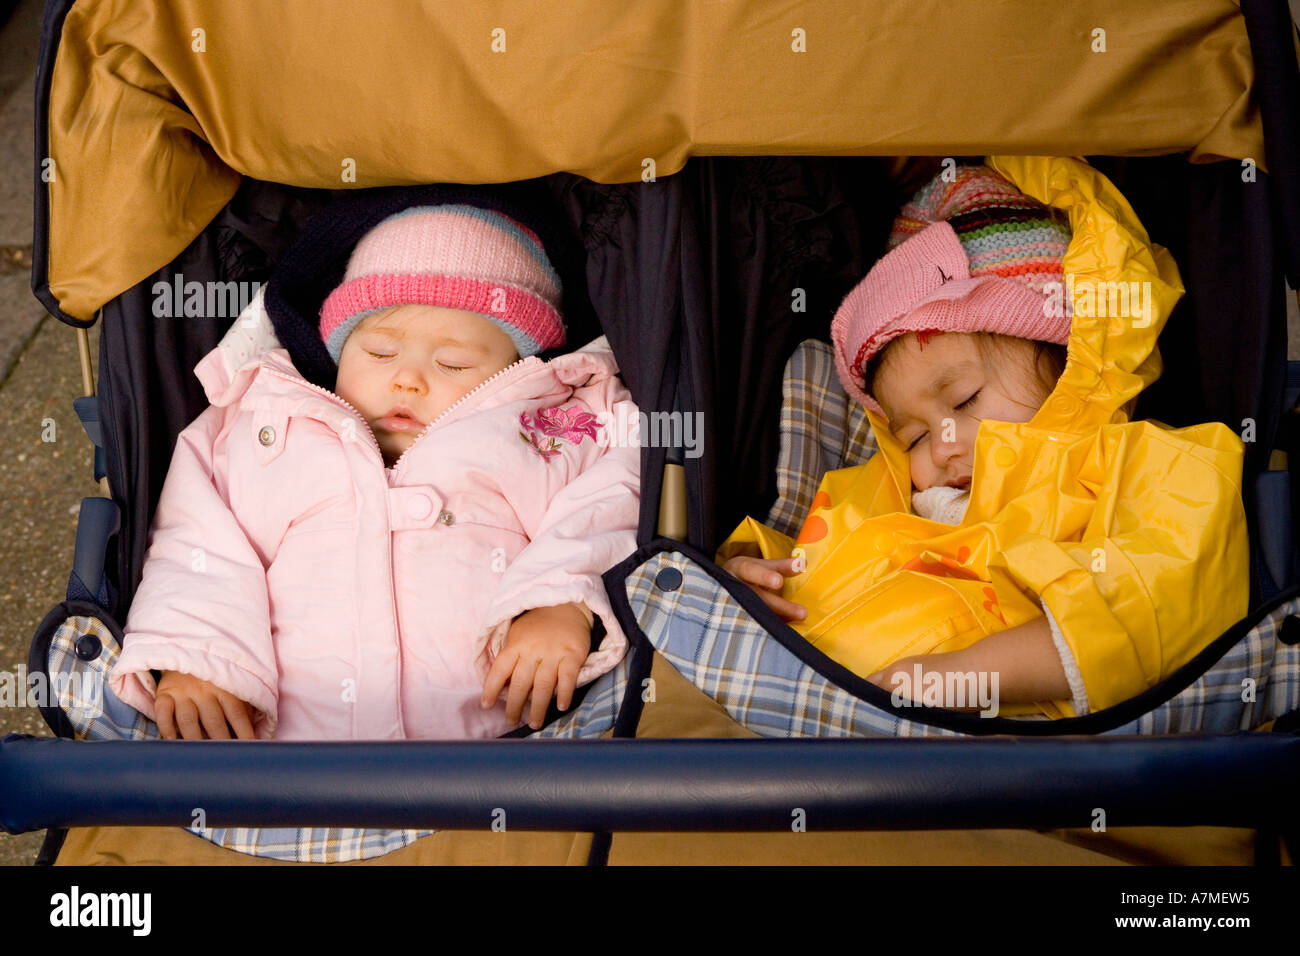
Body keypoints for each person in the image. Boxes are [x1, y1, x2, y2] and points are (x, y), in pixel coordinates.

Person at [718, 158, 1249, 718]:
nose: (942, 444)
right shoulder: (888, 493)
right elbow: (831, 555)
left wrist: (962, 680)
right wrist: (751, 578)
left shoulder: (1158, 469)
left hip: (999, 753)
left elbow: (1150, 610)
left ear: (1073, 362)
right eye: (914, 434)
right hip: (804, 724)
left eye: (965, 400)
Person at [110, 198, 641, 739]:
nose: (407, 380)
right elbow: (199, 540)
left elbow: (607, 498)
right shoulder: (269, 424)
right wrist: (199, 658)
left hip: (504, 751)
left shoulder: (546, 427)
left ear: (515, 371)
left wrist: (559, 602)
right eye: (380, 353)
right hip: (283, 752)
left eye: (452, 363)